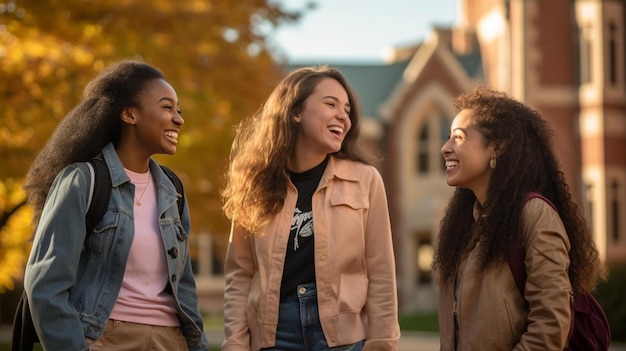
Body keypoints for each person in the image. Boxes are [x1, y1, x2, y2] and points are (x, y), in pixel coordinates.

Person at [22, 60, 209, 350]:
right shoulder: (84, 181)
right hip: (106, 338)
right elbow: (46, 284)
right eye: (166, 107)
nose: (179, 119)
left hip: (170, 340)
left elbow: (184, 285)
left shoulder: (173, 191)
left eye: (179, 110)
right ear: (129, 114)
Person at [220, 66, 400, 351]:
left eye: (348, 110)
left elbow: (380, 270)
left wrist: (382, 343)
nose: (344, 116)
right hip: (273, 337)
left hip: (344, 339)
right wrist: (235, 343)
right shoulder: (253, 184)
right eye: (331, 104)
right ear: (295, 112)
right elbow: (241, 275)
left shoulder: (364, 180)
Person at [434, 86, 603, 350]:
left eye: (459, 137)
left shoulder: (534, 214)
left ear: (497, 148)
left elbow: (551, 324)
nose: (445, 148)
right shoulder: (462, 226)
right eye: (448, 138)